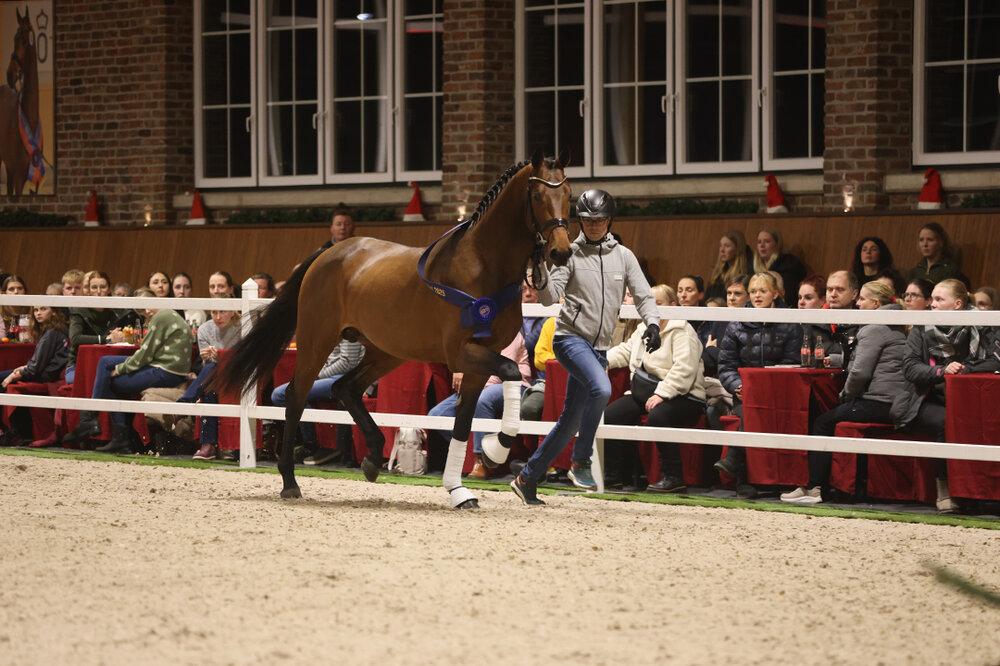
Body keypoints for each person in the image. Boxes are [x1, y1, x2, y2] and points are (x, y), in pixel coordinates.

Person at [509, 189, 663, 505]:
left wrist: (652, 324)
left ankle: (528, 478)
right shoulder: (571, 255)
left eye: (601, 220)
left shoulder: (624, 256)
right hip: (569, 339)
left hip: (600, 347)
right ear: (581, 220)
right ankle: (582, 462)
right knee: (602, 389)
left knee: (569, 422)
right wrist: (540, 271)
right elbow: (550, 297)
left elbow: (645, 295)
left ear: (609, 220)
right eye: (590, 220)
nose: (595, 225)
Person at [781, 281, 917, 505]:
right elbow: (866, 359)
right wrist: (835, 360)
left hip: (879, 401)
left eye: (862, 299)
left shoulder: (874, 327)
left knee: (823, 422)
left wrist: (845, 395)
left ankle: (814, 487)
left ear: (875, 303)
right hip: (893, 399)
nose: (858, 303)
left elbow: (860, 372)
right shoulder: (892, 323)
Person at [901, 279, 994, 513]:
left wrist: (964, 369)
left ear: (958, 304)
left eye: (940, 300)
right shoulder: (921, 327)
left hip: (972, 401)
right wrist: (941, 371)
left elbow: (995, 359)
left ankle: (980, 493)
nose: (932, 304)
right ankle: (946, 492)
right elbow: (910, 367)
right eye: (932, 299)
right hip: (926, 399)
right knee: (947, 423)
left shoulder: (985, 324)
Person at [61, 287, 193, 453]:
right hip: (167, 367)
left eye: (144, 310)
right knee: (104, 362)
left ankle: (105, 427)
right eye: (141, 312)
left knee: (110, 380)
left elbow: (145, 354)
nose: (145, 314)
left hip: (166, 371)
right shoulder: (168, 314)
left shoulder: (161, 317)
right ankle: (97, 422)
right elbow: (147, 354)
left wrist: (120, 369)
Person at [604, 284, 706, 493]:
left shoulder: (683, 331)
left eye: (658, 304)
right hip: (646, 391)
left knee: (658, 417)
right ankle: (613, 475)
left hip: (685, 395)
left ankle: (673, 477)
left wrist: (662, 393)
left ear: (672, 305)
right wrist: (602, 361)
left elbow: (684, 369)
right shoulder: (644, 327)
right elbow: (625, 351)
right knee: (608, 416)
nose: (652, 308)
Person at [714, 272, 802, 497]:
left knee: (761, 413)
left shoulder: (790, 323)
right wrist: (737, 387)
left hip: (779, 393)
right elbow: (726, 365)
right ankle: (744, 479)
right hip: (745, 393)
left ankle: (735, 460)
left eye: (762, 291)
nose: (757, 296)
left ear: (775, 294)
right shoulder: (736, 324)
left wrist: (767, 388)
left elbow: (792, 363)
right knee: (748, 412)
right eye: (753, 291)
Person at [428, 332, 531, 479]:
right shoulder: (476, 335)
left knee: (482, 400)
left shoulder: (510, 333)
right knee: (437, 415)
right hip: (477, 385)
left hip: (513, 385)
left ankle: (481, 460)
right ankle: (472, 449)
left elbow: (505, 371)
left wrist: (472, 387)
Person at [270, 340, 365, 465]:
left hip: (344, 379)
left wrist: (320, 374)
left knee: (282, 394)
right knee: (283, 394)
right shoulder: (335, 326)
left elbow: (348, 361)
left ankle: (311, 443)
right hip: (336, 377)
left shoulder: (349, 329)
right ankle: (311, 442)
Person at [181, 296, 242, 461]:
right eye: (214, 312)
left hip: (238, 374)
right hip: (213, 376)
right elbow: (206, 363)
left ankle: (185, 404)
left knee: (212, 370)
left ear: (232, 311)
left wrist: (222, 357)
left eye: (222, 312)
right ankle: (208, 446)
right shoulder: (205, 329)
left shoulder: (242, 326)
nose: (218, 317)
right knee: (210, 381)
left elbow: (246, 358)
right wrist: (208, 357)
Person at [0, 305, 70, 447]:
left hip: (46, 376)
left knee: (2, 380)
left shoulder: (52, 333)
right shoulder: (53, 331)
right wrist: (23, 369)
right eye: (36, 310)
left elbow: (35, 369)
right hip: (43, 372)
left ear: (54, 312)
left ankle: (8, 431)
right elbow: (37, 364)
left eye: (43, 309)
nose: (38, 313)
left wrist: (15, 376)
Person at [65, 272, 141, 384]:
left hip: (112, 365)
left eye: (103, 287)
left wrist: (122, 336)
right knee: (88, 381)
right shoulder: (79, 310)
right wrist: (108, 339)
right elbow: (76, 339)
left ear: (109, 289)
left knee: (127, 381)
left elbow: (131, 337)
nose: (99, 292)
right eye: (94, 287)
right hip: (78, 365)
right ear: (88, 291)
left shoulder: (121, 312)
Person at [807, 270, 860, 369]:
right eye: (830, 289)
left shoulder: (863, 322)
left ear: (854, 294)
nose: (833, 294)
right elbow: (806, 358)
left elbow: (859, 357)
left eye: (840, 290)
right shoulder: (812, 320)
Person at [753, 227, 805, 306]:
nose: (762, 245)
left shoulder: (788, 265)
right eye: (759, 242)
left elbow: (789, 296)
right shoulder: (753, 268)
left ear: (777, 244)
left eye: (767, 241)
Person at [706, 230, 752, 301]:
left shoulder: (748, 272)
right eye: (721, 245)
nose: (722, 250)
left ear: (738, 249)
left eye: (727, 246)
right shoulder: (718, 274)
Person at [1, 275, 30, 341]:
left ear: (24, 291)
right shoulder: (0, 313)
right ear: (5, 292)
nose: (16, 292)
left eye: (20, 288)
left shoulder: (32, 311)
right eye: (11, 289)